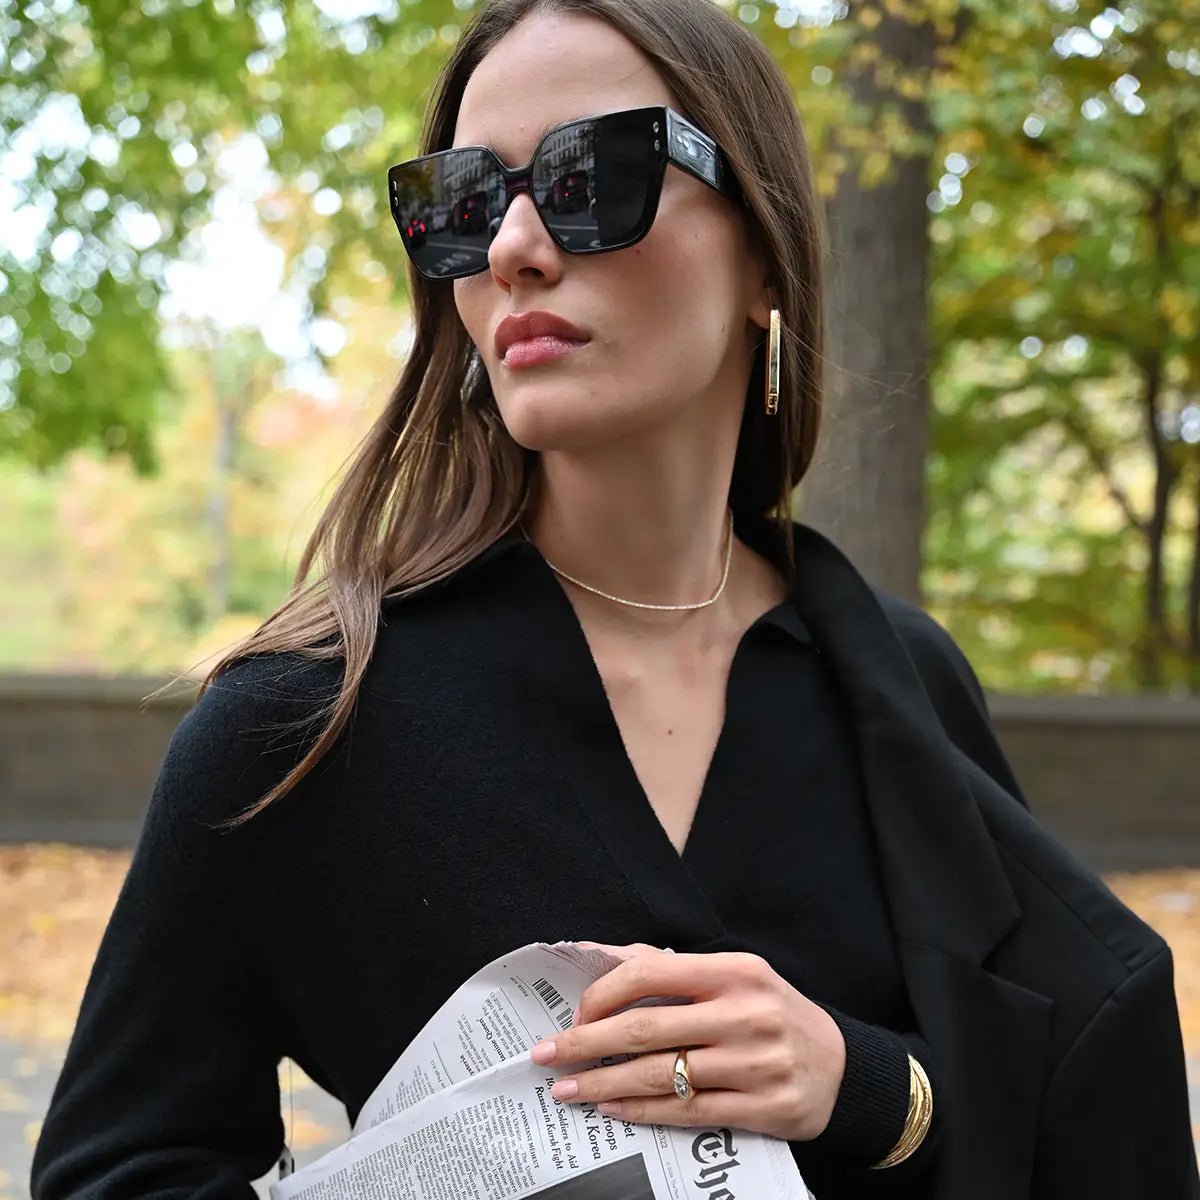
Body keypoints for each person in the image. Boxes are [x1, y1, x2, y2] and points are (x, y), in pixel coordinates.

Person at [31, 0, 1199, 1197]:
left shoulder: (903, 687)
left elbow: (1072, 1097)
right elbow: (116, 1171)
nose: (513, 248)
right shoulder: (302, 721)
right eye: (465, 200)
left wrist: (867, 1089)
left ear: (764, 257)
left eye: (594, 175)